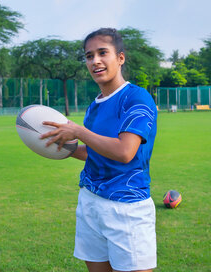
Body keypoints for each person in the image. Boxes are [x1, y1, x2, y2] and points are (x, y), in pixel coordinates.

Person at [40, 28, 158, 272]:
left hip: (126, 208)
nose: (95, 61)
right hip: (90, 202)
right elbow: (94, 152)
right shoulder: (94, 106)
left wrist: (79, 132)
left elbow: (125, 152)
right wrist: (62, 145)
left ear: (120, 58)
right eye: (88, 55)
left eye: (103, 53)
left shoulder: (136, 98)